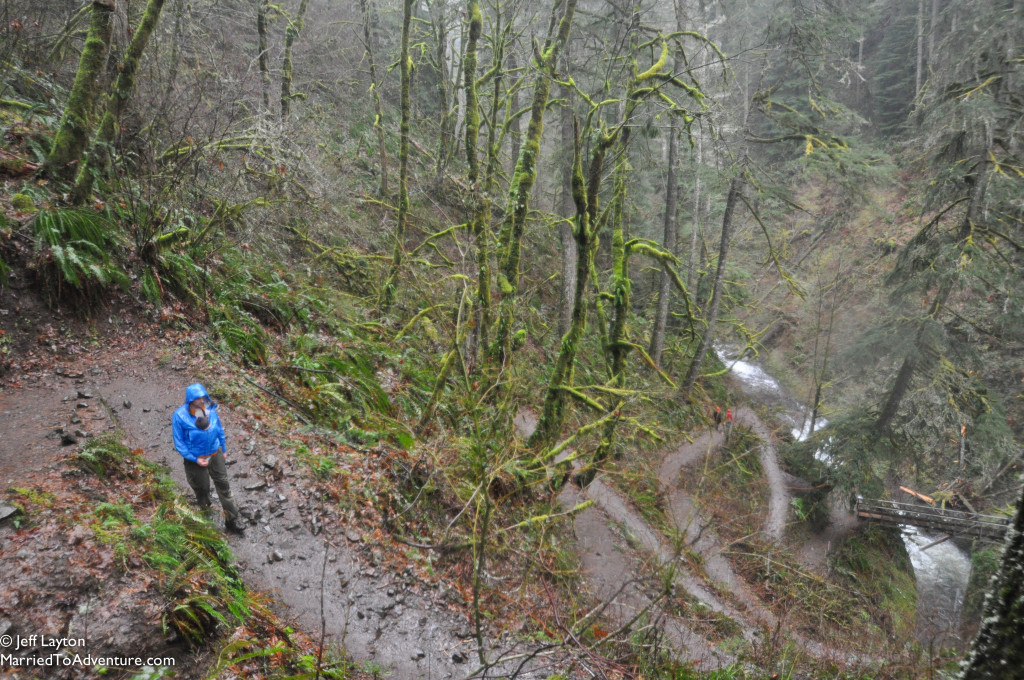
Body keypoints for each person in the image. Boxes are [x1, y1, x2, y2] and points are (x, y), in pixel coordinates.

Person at [172, 383, 244, 534]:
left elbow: (218, 428)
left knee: (224, 486)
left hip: (214, 452)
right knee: (203, 490)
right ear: (190, 399)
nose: (201, 401)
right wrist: (194, 459)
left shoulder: (209, 409)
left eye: (203, 397)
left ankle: (233, 519)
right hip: (196, 460)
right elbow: (180, 442)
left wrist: (222, 448)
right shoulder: (180, 416)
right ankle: (207, 523)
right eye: (198, 398)